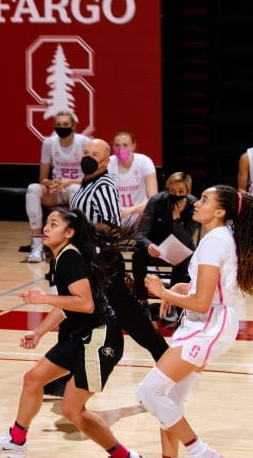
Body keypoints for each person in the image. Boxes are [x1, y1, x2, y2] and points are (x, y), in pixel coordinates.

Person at [0, 208, 142, 458]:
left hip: (100, 337)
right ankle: (16, 442)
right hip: (83, 334)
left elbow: (85, 304)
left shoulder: (69, 258)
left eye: (53, 224)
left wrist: (43, 297)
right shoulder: (61, 257)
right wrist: (39, 332)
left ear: (69, 233)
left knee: (72, 411)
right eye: (46, 223)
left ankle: (125, 456)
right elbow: (67, 303)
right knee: (33, 379)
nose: (45, 228)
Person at [137, 185, 253, 458]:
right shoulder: (223, 236)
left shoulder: (215, 240)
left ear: (220, 211)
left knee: (149, 392)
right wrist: (183, 288)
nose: (196, 204)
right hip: (207, 322)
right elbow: (208, 290)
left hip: (208, 325)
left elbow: (202, 302)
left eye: (204, 200)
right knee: (170, 397)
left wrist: (163, 293)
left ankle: (201, 452)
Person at [69, 137, 169, 362]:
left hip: (101, 259)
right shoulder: (83, 186)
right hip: (87, 258)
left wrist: (81, 231)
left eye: (94, 155)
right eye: (86, 152)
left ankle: (164, 356)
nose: (88, 157)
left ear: (105, 162)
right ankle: (62, 378)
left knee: (128, 314)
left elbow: (111, 225)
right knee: (77, 314)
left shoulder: (104, 186)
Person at [25, 111, 89, 263]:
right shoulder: (49, 143)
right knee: (32, 189)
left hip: (76, 187)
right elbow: (42, 179)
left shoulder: (84, 142)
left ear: (73, 126)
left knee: (74, 189)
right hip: (57, 190)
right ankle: (37, 244)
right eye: (58, 125)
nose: (62, 128)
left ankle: (76, 241)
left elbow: (91, 178)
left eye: (66, 124)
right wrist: (51, 183)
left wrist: (68, 181)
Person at [131, 172, 199, 312]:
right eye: (172, 191)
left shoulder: (193, 205)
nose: (176, 194)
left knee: (183, 259)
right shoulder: (156, 201)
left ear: (188, 191)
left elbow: (186, 238)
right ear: (167, 189)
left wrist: (176, 218)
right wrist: (148, 244)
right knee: (138, 255)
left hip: (180, 246)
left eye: (181, 191)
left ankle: (173, 303)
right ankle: (141, 300)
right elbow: (140, 232)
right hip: (155, 245)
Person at [107, 130, 158, 220]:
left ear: (133, 146)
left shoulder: (144, 161)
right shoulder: (108, 163)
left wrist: (130, 210)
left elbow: (153, 198)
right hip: (115, 215)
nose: (121, 149)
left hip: (139, 213)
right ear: (113, 147)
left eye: (125, 145)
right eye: (117, 145)